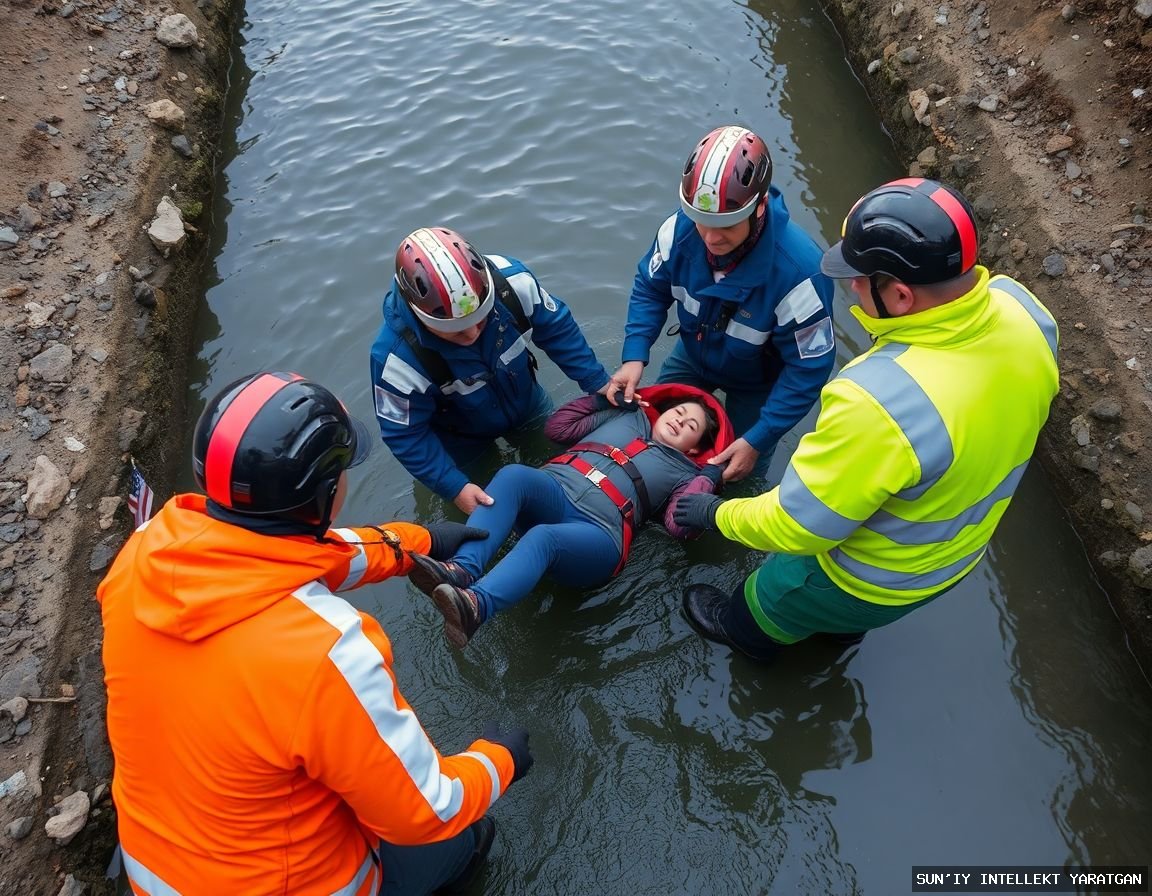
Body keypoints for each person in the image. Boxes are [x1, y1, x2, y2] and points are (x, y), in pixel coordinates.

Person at [98, 371, 535, 896]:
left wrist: (416, 542)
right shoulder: (327, 649)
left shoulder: (144, 553)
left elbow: (295, 556)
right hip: (293, 886)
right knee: (467, 834)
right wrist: (501, 759)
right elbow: (428, 808)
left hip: (155, 867)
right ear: (328, 491)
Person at [671, 177, 1060, 662]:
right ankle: (836, 635)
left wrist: (715, 514)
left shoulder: (877, 399)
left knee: (765, 603)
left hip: (862, 576)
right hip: (954, 558)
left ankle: (750, 637)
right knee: (839, 625)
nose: (851, 286)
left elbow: (798, 525)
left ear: (899, 297)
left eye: (859, 277)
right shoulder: (1025, 312)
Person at [405, 384, 735, 648]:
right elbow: (558, 428)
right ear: (663, 411)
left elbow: (680, 526)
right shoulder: (628, 417)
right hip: (555, 490)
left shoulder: (686, 471)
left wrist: (708, 475)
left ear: (695, 448)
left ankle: (474, 606)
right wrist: (603, 399)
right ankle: (460, 570)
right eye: (678, 411)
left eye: (691, 425)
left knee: (544, 538)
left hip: (598, 532)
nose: (679, 420)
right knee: (513, 474)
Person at [607, 125, 837, 482]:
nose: (712, 238)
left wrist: (759, 439)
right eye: (702, 222)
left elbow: (809, 369)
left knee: (737, 470)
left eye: (727, 225)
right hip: (693, 355)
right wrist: (634, 356)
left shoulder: (800, 275)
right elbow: (650, 288)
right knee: (645, 430)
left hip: (758, 383)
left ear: (759, 207)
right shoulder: (677, 231)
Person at [370, 226, 612, 514]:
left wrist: (597, 380)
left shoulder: (514, 283)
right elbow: (405, 435)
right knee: (483, 505)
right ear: (422, 317)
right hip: (461, 440)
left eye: (481, 319)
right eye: (456, 332)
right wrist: (454, 486)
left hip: (527, 404)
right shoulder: (395, 362)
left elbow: (557, 329)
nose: (471, 333)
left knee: (559, 463)